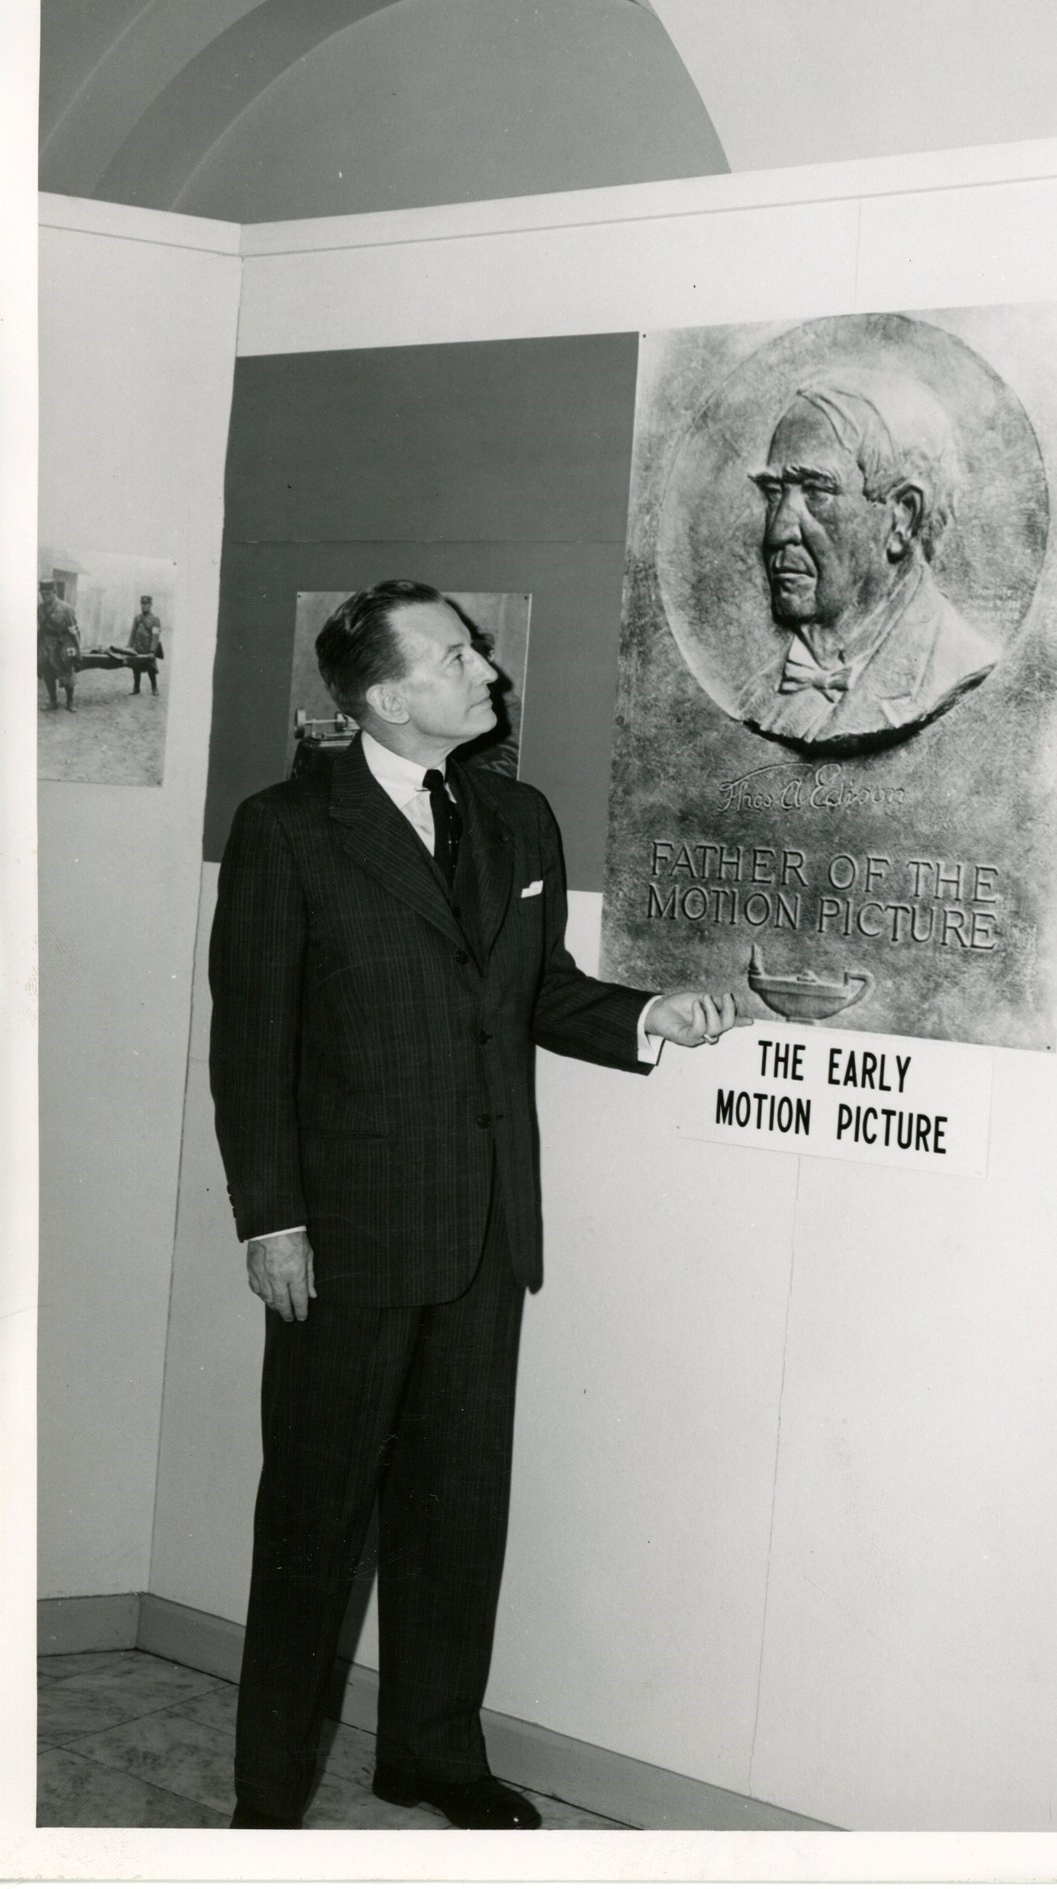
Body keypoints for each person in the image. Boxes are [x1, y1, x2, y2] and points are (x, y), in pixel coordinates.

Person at [209, 579, 736, 1831]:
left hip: (485, 1236)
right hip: (344, 1245)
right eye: (455, 655)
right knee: (312, 1526)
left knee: (456, 1511)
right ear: (389, 695)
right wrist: (269, 1220)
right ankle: (267, 1798)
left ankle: (433, 1753)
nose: (485, 669)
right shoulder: (288, 829)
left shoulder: (514, 816)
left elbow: (536, 990)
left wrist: (645, 1017)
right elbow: (252, 1047)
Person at [734, 371, 1000, 745]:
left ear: (903, 518)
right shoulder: (753, 698)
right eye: (775, 493)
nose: (778, 532)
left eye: (815, 492)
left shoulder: (961, 672)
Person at [37, 580, 79, 711]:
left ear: (55, 592)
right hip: (45, 646)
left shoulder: (66, 609)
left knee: (67, 674)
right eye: (42, 594)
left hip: (61, 647)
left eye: (48, 593)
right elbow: (41, 629)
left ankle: (70, 702)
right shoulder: (40, 608)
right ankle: (53, 702)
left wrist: (76, 652)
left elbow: (74, 631)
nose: (45, 597)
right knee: (48, 674)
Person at [127, 594, 163, 694]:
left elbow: (155, 636)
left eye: (146, 604)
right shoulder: (137, 618)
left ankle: (154, 688)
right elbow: (132, 633)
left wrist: (152, 651)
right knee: (135, 668)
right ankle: (136, 688)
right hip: (137, 648)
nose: (143, 606)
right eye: (142, 604)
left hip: (148, 650)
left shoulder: (155, 619)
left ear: (150, 605)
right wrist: (129, 647)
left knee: (151, 669)